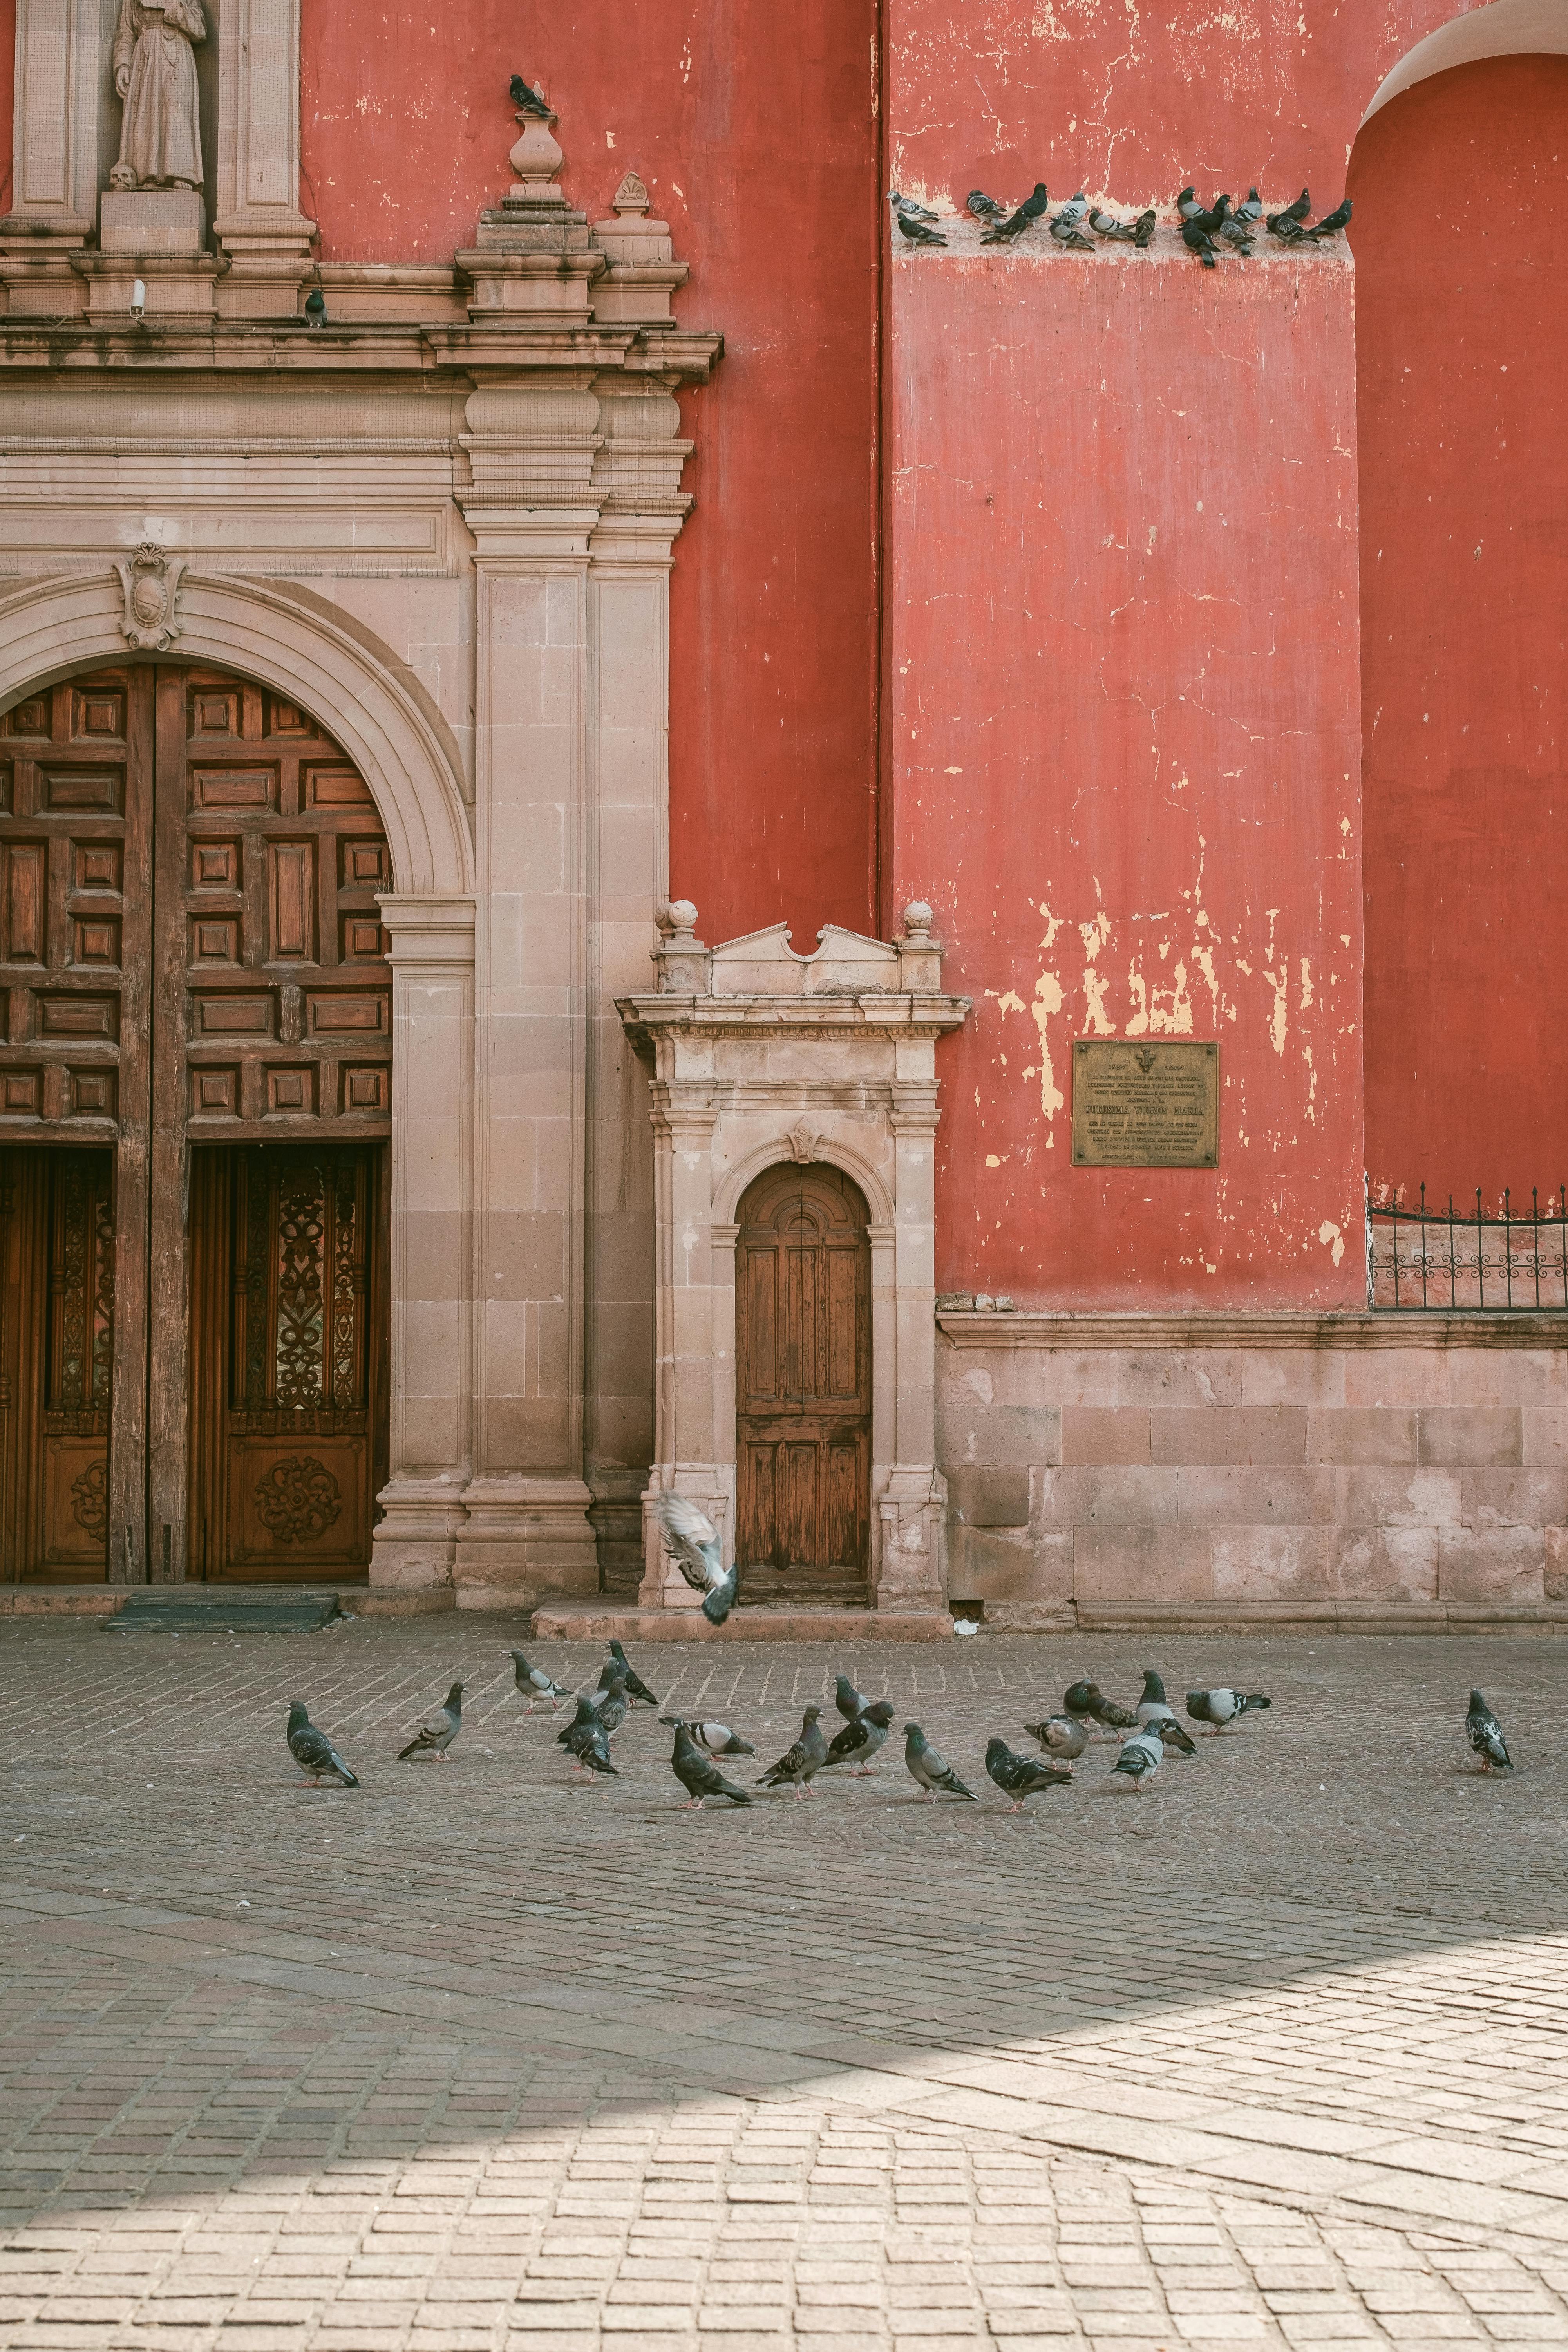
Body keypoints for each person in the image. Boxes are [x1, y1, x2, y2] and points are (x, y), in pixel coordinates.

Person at [109, 0, 206, 192]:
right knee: (145, 115)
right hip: (144, 57)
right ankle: (146, 174)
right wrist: (122, 64)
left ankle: (180, 172)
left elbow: (201, 29)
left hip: (176, 55)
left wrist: (167, 6)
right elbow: (126, 31)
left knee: (176, 112)